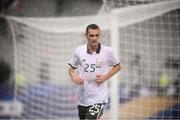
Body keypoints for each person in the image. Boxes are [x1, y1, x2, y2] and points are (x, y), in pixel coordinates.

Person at [67, 24, 121, 120]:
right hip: (83, 98)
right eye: (91, 35)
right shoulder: (79, 50)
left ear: (100, 35)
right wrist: (73, 75)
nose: (94, 38)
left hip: (98, 98)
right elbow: (71, 67)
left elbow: (118, 66)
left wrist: (105, 76)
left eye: (97, 35)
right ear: (86, 35)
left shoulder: (108, 51)